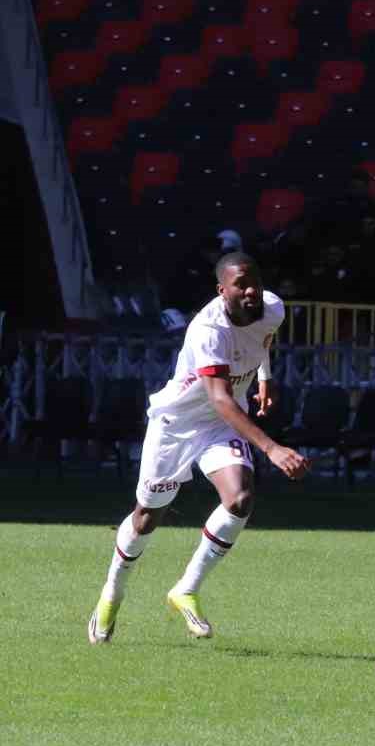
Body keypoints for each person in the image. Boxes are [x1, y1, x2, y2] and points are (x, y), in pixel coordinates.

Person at [88, 251, 310, 644]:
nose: (252, 289)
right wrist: (272, 448)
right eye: (241, 284)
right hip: (176, 426)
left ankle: (185, 588)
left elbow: (262, 342)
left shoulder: (273, 307)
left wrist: (264, 378)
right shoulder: (208, 330)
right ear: (222, 290)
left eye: (255, 280)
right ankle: (112, 593)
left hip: (220, 426)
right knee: (146, 519)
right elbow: (221, 399)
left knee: (240, 498)